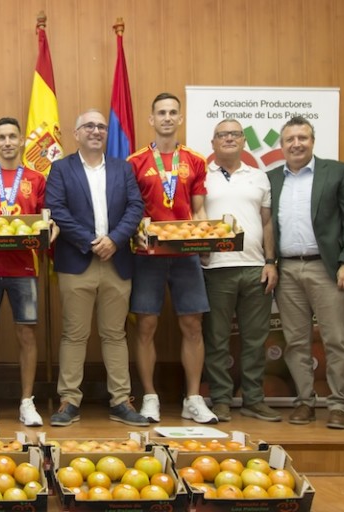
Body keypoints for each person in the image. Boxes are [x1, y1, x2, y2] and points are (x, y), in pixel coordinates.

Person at [45, 109, 149, 427]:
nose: (96, 131)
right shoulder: (61, 169)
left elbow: (136, 206)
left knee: (115, 334)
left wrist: (115, 240)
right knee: (74, 334)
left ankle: (120, 400)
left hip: (116, 260)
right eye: (88, 126)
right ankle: (69, 401)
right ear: (76, 133)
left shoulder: (123, 168)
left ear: (107, 133)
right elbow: (57, 210)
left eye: (101, 126)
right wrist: (91, 241)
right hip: (78, 260)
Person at [266, 116, 344, 429]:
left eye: (302, 138)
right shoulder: (270, 178)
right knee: (296, 342)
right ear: (281, 145)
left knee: (336, 340)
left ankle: (338, 404)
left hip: (327, 268)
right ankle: (305, 402)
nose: (296, 144)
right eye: (290, 139)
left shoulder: (336, 172)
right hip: (288, 268)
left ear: (312, 141)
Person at [127, 92, 216, 424]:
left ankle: (193, 398)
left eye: (172, 112)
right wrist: (138, 230)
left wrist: (203, 236)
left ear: (180, 119)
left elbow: (199, 208)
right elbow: (131, 209)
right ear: (151, 119)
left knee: (192, 324)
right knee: (146, 325)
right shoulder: (134, 161)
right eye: (160, 112)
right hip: (146, 253)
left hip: (185, 253)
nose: (166, 117)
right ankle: (150, 397)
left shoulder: (194, 160)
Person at [0, 117, 57, 427]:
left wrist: (51, 231)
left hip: (25, 265)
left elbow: (48, 220)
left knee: (27, 333)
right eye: (1, 137)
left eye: (12, 136)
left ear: (21, 142)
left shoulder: (37, 178)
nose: (7, 142)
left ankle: (27, 402)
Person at [202, 118, 280, 423]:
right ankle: (221, 400)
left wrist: (271, 262)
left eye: (235, 134)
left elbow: (267, 222)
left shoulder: (259, 177)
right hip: (216, 268)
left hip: (255, 267)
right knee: (217, 338)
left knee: (255, 339)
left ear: (244, 141)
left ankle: (254, 399)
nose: (229, 138)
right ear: (213, 143)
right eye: (222, 135)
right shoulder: (202, 176)